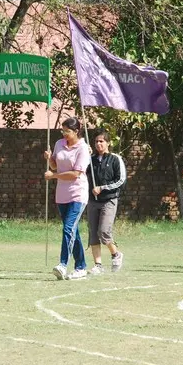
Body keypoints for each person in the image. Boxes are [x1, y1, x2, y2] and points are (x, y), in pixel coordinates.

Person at [44, 117, 91, 280]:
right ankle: (81, 267)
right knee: (72, 230)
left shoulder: (83, 148)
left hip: (78, 194)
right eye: (62, 131)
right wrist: (49, 158)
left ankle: (63, 265)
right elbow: (55, 165)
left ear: (76, 131)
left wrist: (54, 176)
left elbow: (75, 174)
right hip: (62, 194)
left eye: (67, 131)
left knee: (68, 228)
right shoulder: (59, 144)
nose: (64, 134)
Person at [85, 129, 126, 274]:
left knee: (104, 231)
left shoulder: (115, 159)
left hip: (109, 200)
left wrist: (102, 188)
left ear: (108, 143)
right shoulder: (91, 159)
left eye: (101, 141)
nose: (98, 144)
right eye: (96, 141)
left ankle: (116, 254)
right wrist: (86, 155)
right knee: (93, 233)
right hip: (92, 201)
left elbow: (121, 180)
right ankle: (98, 265)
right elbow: (82, 172)